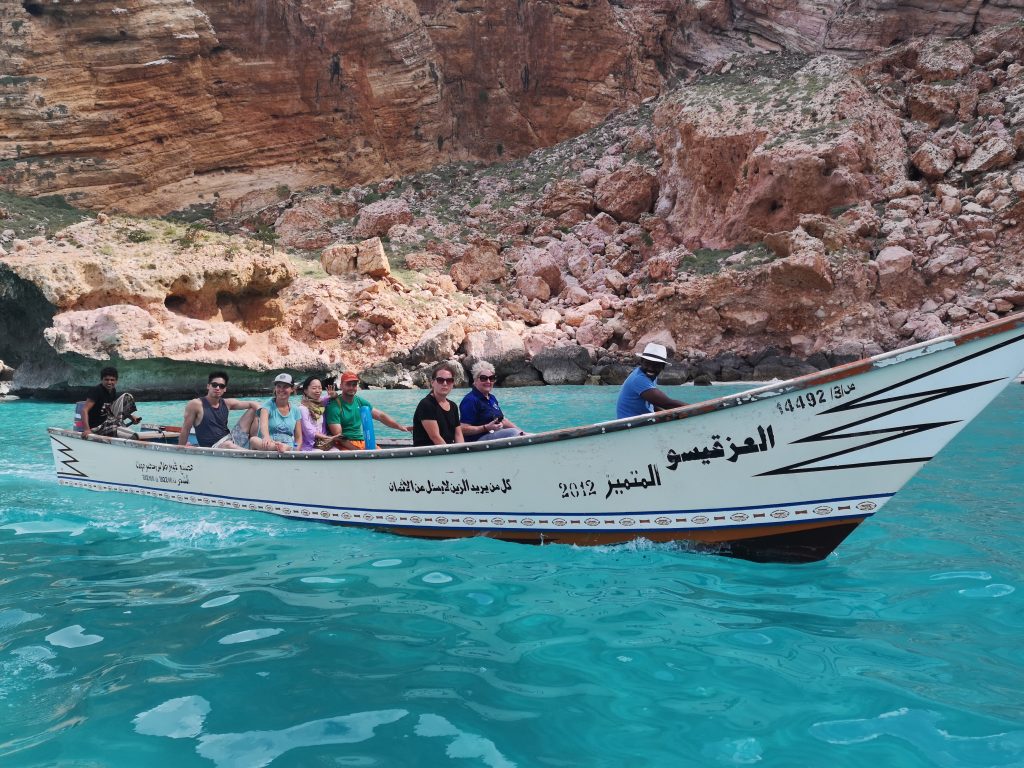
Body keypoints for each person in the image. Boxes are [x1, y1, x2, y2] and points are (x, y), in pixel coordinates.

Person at [325, 371, 410, 450]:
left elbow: (380, 416)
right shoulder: (334, 406)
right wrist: (359, 451)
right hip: (343, 445)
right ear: (341, 386)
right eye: (348, 384)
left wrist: (400, 427)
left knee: (380, 455)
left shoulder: (359, 401)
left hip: (361, 442)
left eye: (354, 385)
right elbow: (339, 437)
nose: (351, 387)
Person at [178, 371, 261, 448]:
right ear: (208, 386)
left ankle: (253, 444)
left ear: (225, 389)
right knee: (228, 445)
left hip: (231, 439)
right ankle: (251, 455)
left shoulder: (227, 403)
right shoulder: (196, 404)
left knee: (254, 410)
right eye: (214, 385)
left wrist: (263, 414)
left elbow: (252, 403)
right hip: (214, 446)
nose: (218, 388)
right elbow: (186, 428)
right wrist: (181, 448)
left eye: (221, 386)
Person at [615, 343, 688, 419]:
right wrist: (694, 409)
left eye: (656, 365)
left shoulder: (650, 376)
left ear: (662, 366)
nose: (651, 368)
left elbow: (652, 402)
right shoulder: (639, 379)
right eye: (647, 363)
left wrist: (663, 413)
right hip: (629, 427)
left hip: (640, 423)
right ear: (641, 362)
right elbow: (666, 403)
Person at [459, 361, 525, 441]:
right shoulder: (470, 400)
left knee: (518, 432)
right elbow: (463, 429)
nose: (488, 381)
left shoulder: (492, 398)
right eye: (483, 378)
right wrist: (485, 428)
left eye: (491, 378)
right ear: (475, 380)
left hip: (493, 435)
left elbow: (502, 420)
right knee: (513, 432)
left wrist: (522, 432)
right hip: (478, 441)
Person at [412, 363, 464, 447]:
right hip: (428, 454)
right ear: (433, 383)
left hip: (446, 452)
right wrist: (451, 455)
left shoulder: (453, 406)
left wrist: (461, 451)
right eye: (440, 380)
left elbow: (458, 434)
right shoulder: (426, 405)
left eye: (449, 380)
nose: (445, 383)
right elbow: (435, 437)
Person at [81, 367, 141, 439]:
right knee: (127, 396)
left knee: (133, 434)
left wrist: (131, 417)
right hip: (96, 428)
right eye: (106, 380)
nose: (109, 382)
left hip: (109, 423)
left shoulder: (113, 391)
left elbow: (113, 409)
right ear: (102, 380)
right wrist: (87, 430)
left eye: (112, 380)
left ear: (116, 381)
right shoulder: (96, 390)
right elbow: (84, 410)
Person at [250, 373, 302, 452]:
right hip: (268, 445)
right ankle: (279, 447)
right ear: (275, 388)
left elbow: (298, 438)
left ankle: (286, 448)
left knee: (290, 447)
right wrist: (266, 437)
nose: (281, 389)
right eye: (279, 386)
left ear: (292, 389)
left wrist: (295, 451)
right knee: (253, 440)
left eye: (285, 387)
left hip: (288, 448)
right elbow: (263, 425)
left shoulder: (296, 410)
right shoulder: (267, 406)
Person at [298, 374, 336, 451]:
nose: (318, 391)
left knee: (337, 452)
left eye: (320, 388)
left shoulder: (321, 403)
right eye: (314, 388)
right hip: (310, 445)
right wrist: (327, 437)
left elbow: (333, 396)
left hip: (323, 443)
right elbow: (308, 431)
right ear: (305, 390)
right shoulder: (302, 409)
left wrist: (333, 394)